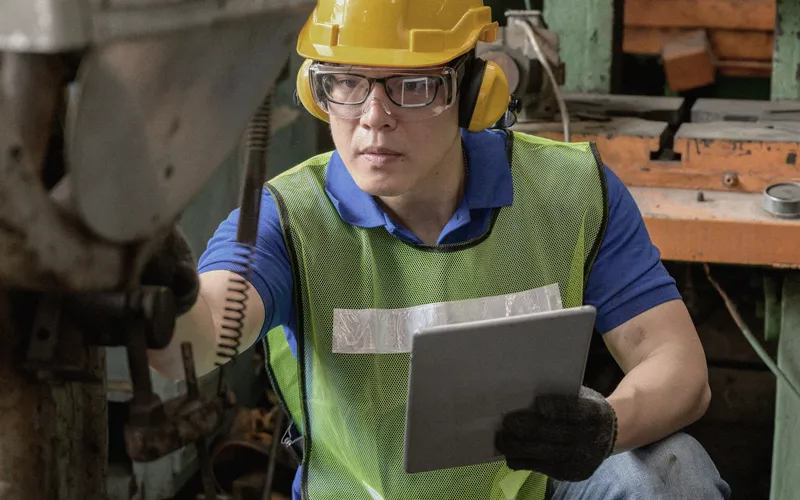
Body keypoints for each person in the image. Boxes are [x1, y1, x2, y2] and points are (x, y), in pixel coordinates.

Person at [147, 1, 732, 498]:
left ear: (472, 90)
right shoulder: (288, 218)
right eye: (346, 83)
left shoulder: (570, 193)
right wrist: (158, 295)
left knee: (672, 470)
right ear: (316, 90)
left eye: (413, 86)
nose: (374, 118)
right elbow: (195, 343)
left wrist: (606, 427)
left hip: (522, 488)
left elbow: (680, 370)